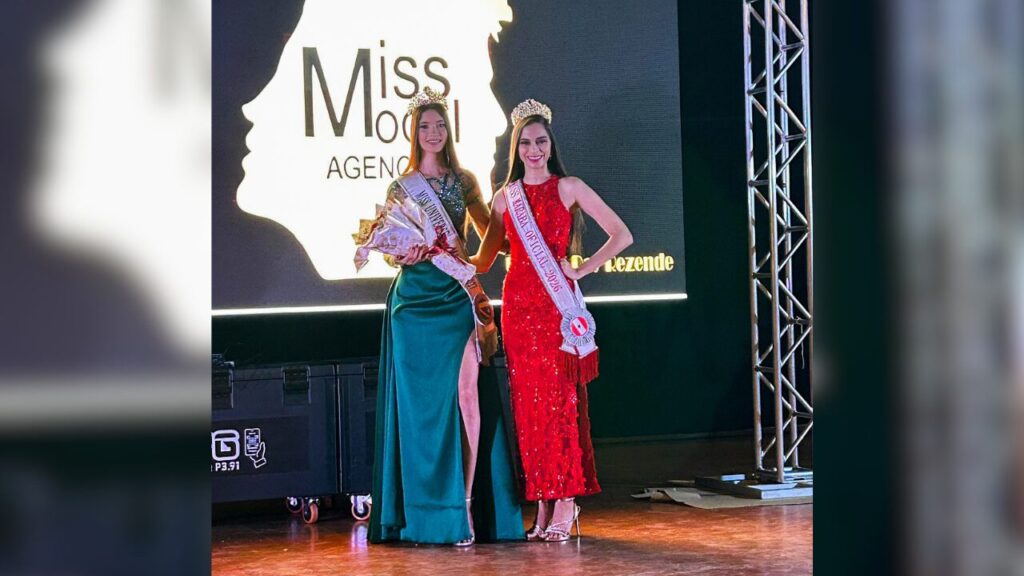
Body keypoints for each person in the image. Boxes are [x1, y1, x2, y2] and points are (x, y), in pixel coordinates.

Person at [470, 99, 633, 542]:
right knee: (528, 408)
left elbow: (622, 234)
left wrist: (582, 269)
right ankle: (542, 498)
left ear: (550, 144)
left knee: (559, 404)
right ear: (516, 149)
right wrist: (432, 248)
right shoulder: (506, 199)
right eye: (526, 143)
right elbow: (485, 258)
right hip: (519, 310)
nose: (534, 149)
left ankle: (566, 499)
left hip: (556, 311)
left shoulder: (570, 187)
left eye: (541, 141)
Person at [369, 87, 524, 546]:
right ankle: (429, 513)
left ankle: (465, 507)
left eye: (439, 125)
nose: (433, 133)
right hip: (413, 305)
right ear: (413, 133)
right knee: (422, 413)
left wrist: (477, 257)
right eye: (424, 126)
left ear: (447, 131)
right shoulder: (401, 187)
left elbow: (485, 239)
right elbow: (389, 253)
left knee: (466, 396)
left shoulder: (465, 181)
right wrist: (406, 254)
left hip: (455, 298)